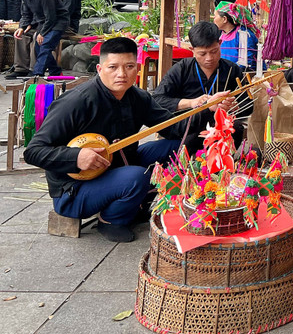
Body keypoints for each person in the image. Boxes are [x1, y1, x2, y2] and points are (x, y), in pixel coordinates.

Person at [24, 37, 183, 242]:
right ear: (99, 68)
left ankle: (136, 204)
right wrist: (76, 156)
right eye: (113, 67)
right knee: (138, 176)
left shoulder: (137, 97)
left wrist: (209, 114)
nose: (121, 74)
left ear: (138, 68)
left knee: (176, 148)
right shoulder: (77, 102)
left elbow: (172, 127)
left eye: (129, 66)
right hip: (74, 190)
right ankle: (111, 219)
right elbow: (33, 151)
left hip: (115, 168)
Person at [153, 21, 245, 155]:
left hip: (219, 129)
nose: (209, 58)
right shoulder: (181, 69)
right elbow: (157, 99)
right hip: (188, 127)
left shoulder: (232, 70)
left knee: (236, 127)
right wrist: (192, 103)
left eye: (214, 51)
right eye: (202, 54)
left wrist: (234, 106)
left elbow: (247, 104)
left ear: (220, 43)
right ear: (192, 50)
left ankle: (222, 168)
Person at [7, 0, 70, 79]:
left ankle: (37, 74)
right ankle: (55, 71)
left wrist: (42, 33)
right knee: (37, 45)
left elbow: (51, 17)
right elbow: (26, 15)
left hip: (58, 23)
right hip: (43, 23)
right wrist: (22, 27)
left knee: (44, 44)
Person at [213, 0, 259, 70]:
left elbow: (246, 61)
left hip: (242, 76)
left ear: (224, 19)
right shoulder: (222, 34)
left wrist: (232, 73)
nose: (213, 19)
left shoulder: (243, 34)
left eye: (215, 16)